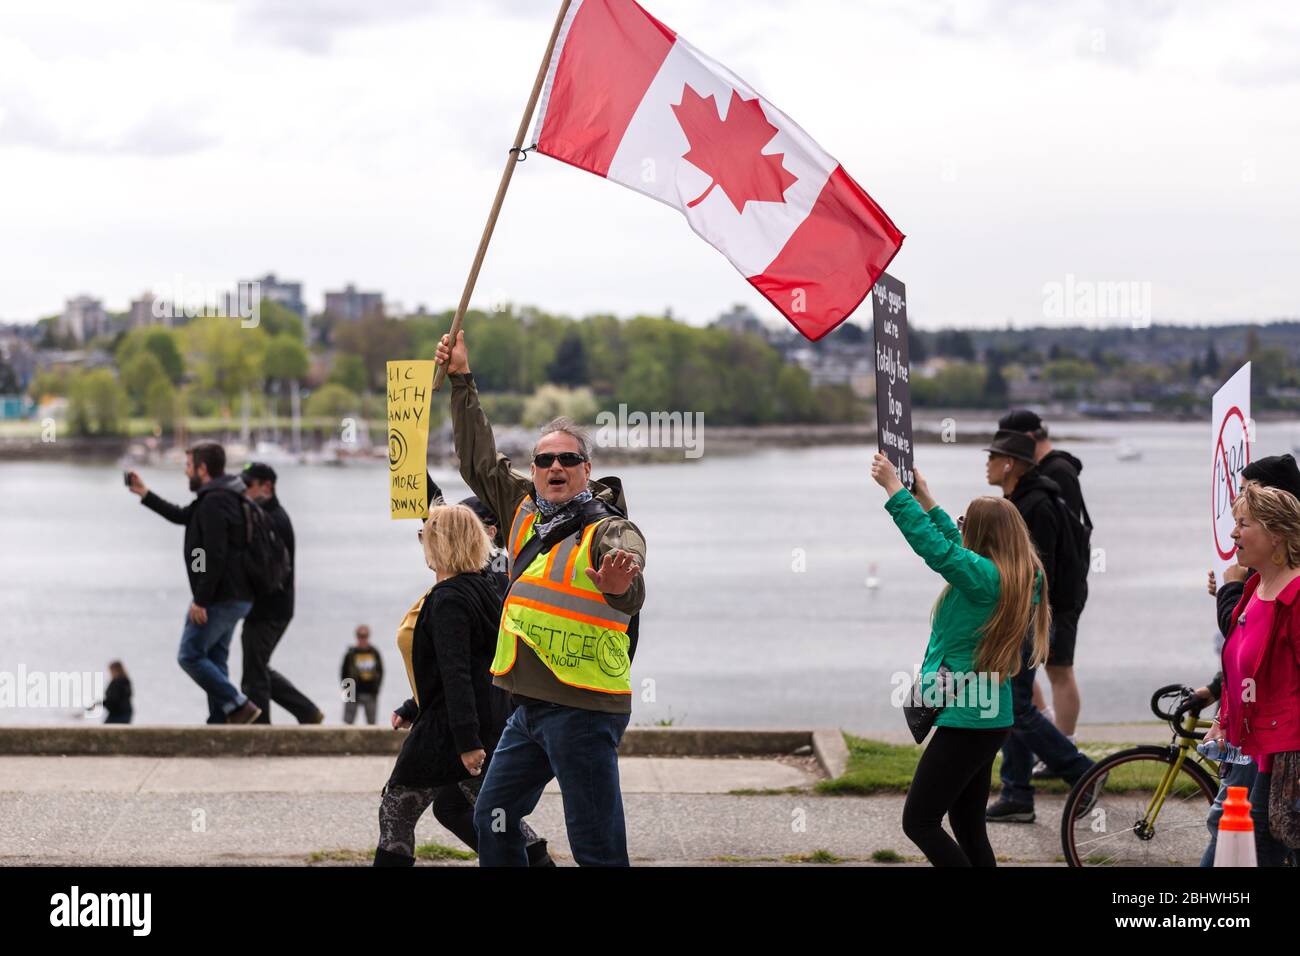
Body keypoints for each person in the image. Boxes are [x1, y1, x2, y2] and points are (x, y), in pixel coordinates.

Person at [435, 329, 647, 867]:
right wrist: (461, 378)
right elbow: (479, 461)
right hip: (527, 708)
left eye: (568, 460)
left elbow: (631, 574)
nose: (556, 468)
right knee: (492, 817)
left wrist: (623, 589)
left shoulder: (608, 529)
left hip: (582, 707)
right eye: (545, 460)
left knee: (596, 844)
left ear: (586, 470)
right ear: (533, 470)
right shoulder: (523, 511)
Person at [870, 452, 1046, 866]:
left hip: (967, 719)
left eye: (967, 522)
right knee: (968, 827)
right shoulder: (1019, 575)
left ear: (983, 536)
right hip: (990, 718)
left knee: (920, 822)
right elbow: (952, 545)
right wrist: (927, 499)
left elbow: (938, 550)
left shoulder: (984, 578)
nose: (960, 526)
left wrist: (895, 490)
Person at [375, 505, 554, 867]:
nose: (422, 543)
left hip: (449, 728)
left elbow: (458, 675)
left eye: (425, 536)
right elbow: (474, 664)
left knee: (396, 810)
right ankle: (538, 862)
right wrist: (414, 706)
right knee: (470, 807)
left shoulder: (448, 599)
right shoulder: (484, 586)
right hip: (484, 719)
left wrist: (467, 742)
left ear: (440, 543)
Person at [981, 430, 1095, 822]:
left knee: (1013, 706)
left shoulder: (1036, 505)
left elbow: (1033, 572)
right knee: (1011, 703)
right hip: (1018, 617)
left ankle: (1081, 771)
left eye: (993, 456)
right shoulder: (1018, 501)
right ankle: (1017, 793)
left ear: (1010, 463)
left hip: (1028, 617)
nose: (987, 463)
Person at [1194, 454, 1300, 866]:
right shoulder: (1254, 587)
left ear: (1275, 535)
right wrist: (1223, 718)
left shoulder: (1293, 596)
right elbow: (1243, 667)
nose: (1233, 533)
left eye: (1243, 524)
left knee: (1241, 849)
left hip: (1282, 760)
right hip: (1250, 748)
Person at [127, 442, 261, 724]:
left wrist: (201, 600)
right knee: (214, 657)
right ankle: (221, 720)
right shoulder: (222, 496)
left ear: (203, 469)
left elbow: (216, 555)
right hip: (237, 595)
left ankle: (239, 705)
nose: (185, 473)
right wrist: (145, 493)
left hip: (219, 596)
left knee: (189, 655)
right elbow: (182, 516)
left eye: (188, 466)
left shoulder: (214, 501)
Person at [999, 409, 1092, 742]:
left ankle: (1063, 744)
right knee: (1023, 666)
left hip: (1059, 592)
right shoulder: (1039, 474)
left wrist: (1044, 596)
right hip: (1046, 589)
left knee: (1059, 669)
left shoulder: (1058, 473)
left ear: (1025, 440)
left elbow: (1058, 538)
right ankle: (1046, 733)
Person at [239, 462, 323, 725]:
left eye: (248, 485)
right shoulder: (267, 515)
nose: (243, 491)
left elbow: (268, 569)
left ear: (267, 486)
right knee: (258, 668)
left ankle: (262, 731)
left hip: (269, 608)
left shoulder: (271, 519)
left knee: (254, 675)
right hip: (274, 606)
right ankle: (307, 712)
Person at [342, 627, 383, 724]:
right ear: (356, 637)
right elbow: (344, 673)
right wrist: (347, 692)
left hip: (370, 691)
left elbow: (380, 672)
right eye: (360, 636)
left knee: (372, 723)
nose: (362, 639)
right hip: (352, 691)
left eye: (365, 636)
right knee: (348, 723)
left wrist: (376, 690)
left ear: (368, 637)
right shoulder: (350, 654)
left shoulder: (374, 652)